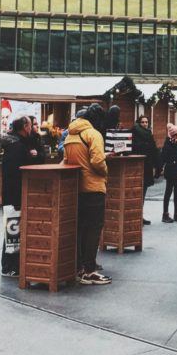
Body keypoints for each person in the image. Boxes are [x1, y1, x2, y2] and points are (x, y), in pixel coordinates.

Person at [64, 104, 110, 285]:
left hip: (77, 188)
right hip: (93, 187)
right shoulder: (93, 134)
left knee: (80, 228)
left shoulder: (70, 135)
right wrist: (105, 171)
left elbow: (66, 160)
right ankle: (90, 270)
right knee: (93, 229)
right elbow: (98, 161)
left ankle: (78, 268)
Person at [0, 116, 31, 276]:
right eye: (30, 125)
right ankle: (10, 266)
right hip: (14, 194)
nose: (31, 128)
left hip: (10, 193)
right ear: (25, 127)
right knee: (13, 230)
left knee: (12, 229)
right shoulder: (18, 147)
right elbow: (16, 172)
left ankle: (10, 265)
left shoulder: (12, 145)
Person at [130, 115, 159, 226]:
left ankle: (139, 216)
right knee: (136, 193)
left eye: (146, 122)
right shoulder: (135, 133)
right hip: (137, 167)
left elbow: (154, 150)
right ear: (139, 123)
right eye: (143, 122)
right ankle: (135, 217)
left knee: (143, 193)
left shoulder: (149, 134)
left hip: (147, 167)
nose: (145, 124)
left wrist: (157, 166)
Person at [160, 123, 177, 223]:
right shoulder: (168, 145)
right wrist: (159, 169)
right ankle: (165, 214)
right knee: (168, 192)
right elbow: (163, 158)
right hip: (171, 172)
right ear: (171, 135)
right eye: (176, 134)